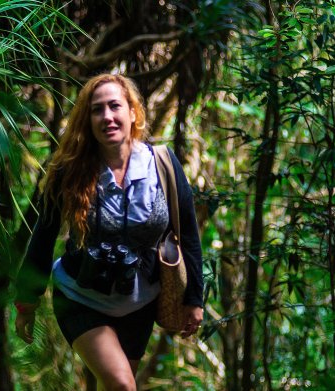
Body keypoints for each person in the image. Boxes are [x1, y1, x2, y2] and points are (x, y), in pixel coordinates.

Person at [14, 74, 204, 390]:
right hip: (80, 296)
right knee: (122, 385)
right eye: (97, 110)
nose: (107, 117)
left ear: (132, 112)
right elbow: (43, 237)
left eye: (115, 106)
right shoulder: (69, 170)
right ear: (87, 120)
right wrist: (26, 301)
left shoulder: (162, 165)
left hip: (139, 302)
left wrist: (194, 299)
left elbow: (189, 236)